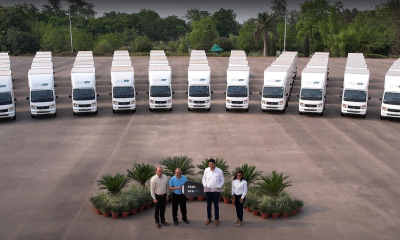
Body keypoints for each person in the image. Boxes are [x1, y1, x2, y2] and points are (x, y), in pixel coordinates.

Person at [202, 158, 224, 226]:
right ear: (208, 164)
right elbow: (203, 179)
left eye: (212, 164)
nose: (211, 165)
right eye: (209, 164)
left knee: (216, 205)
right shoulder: (206, 170)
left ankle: (216, 219)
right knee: (208, 205)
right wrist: (205, 185)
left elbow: (222, 181)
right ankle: (209, 218)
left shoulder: (219, 171)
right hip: (208, 191)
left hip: (216, 191)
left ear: (214, 164)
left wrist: (219, 186)